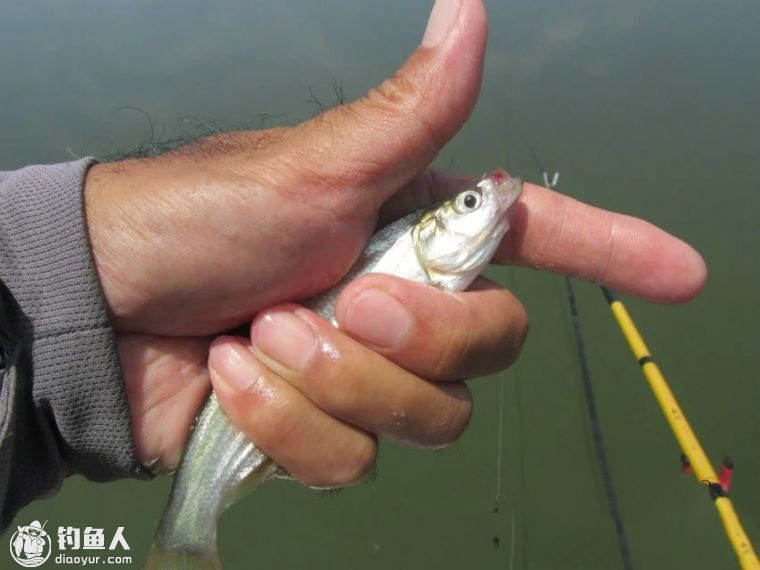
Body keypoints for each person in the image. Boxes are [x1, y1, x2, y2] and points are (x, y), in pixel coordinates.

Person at [0, 0, 706, 530]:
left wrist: (58, 316)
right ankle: (186, 534)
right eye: (467, 207)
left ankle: (189, 524)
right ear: (431, 234)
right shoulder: (411, 252)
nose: (485, 204)